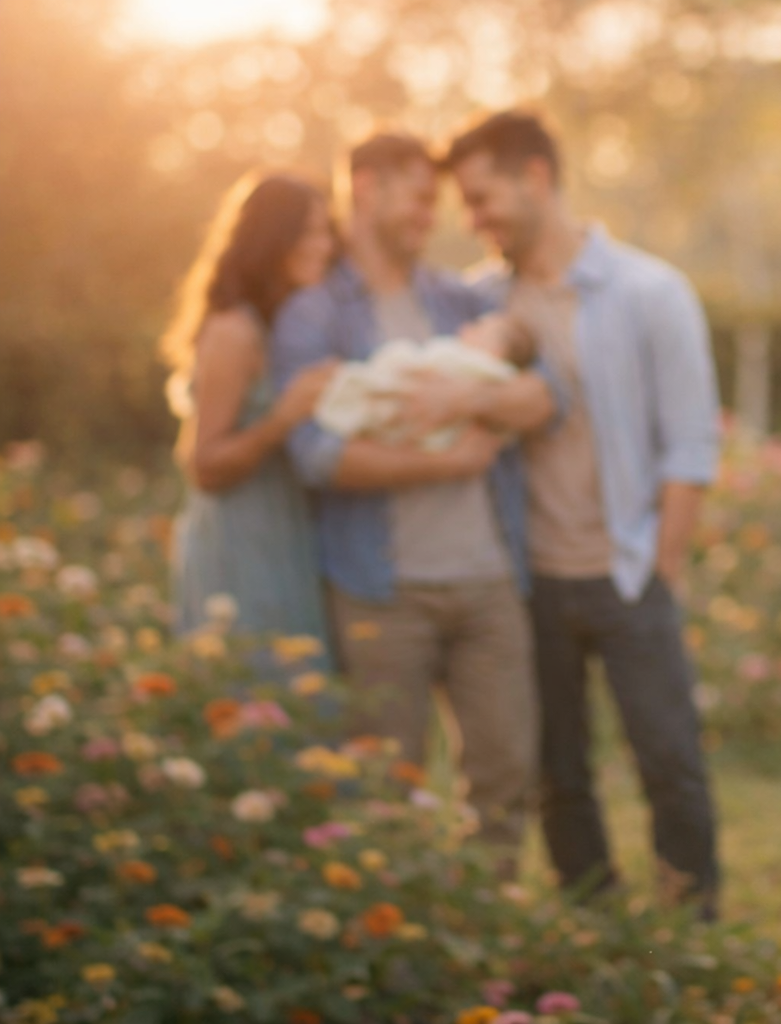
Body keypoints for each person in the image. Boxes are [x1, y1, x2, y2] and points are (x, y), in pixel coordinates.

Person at [443, 111, 723, 912]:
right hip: (528, 579)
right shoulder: (478, 304)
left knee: (668, 756)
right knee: (555, 769)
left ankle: (691, 916)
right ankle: (591, 913)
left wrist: (660, 570)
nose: (474, 219)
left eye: (483, 197)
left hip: (628, 570)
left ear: (536, 176)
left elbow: (690, 448)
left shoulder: (650, 291)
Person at [269, 132, 561, 871]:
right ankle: (398, 962)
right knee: (383, 789)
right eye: (420, 197)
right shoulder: (314, 313)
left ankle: (480, 938)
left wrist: (467, 394)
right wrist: (445, 460)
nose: (432, 216)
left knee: (502, 776)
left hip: (488, 579)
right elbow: (316, 454)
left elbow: (544, 397)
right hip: (379, 589)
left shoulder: (460, 298)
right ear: (365, 188)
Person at [164, 171, 339, 656]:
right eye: (308, 233)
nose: (323, 246)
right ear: (272, 240)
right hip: (239, 541)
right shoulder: (233, 330)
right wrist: (283, 420)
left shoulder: (278, 323)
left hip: (283, 532)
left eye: (326, 232)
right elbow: (204, 465)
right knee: (258, 697)